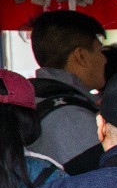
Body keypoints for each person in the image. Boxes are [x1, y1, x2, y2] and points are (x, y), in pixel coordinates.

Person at [28, 10, 107, 173]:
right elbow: (100, 186)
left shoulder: (34, 98)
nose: (105, 59)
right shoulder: (72, 117)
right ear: (81, 56)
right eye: (100, 50)